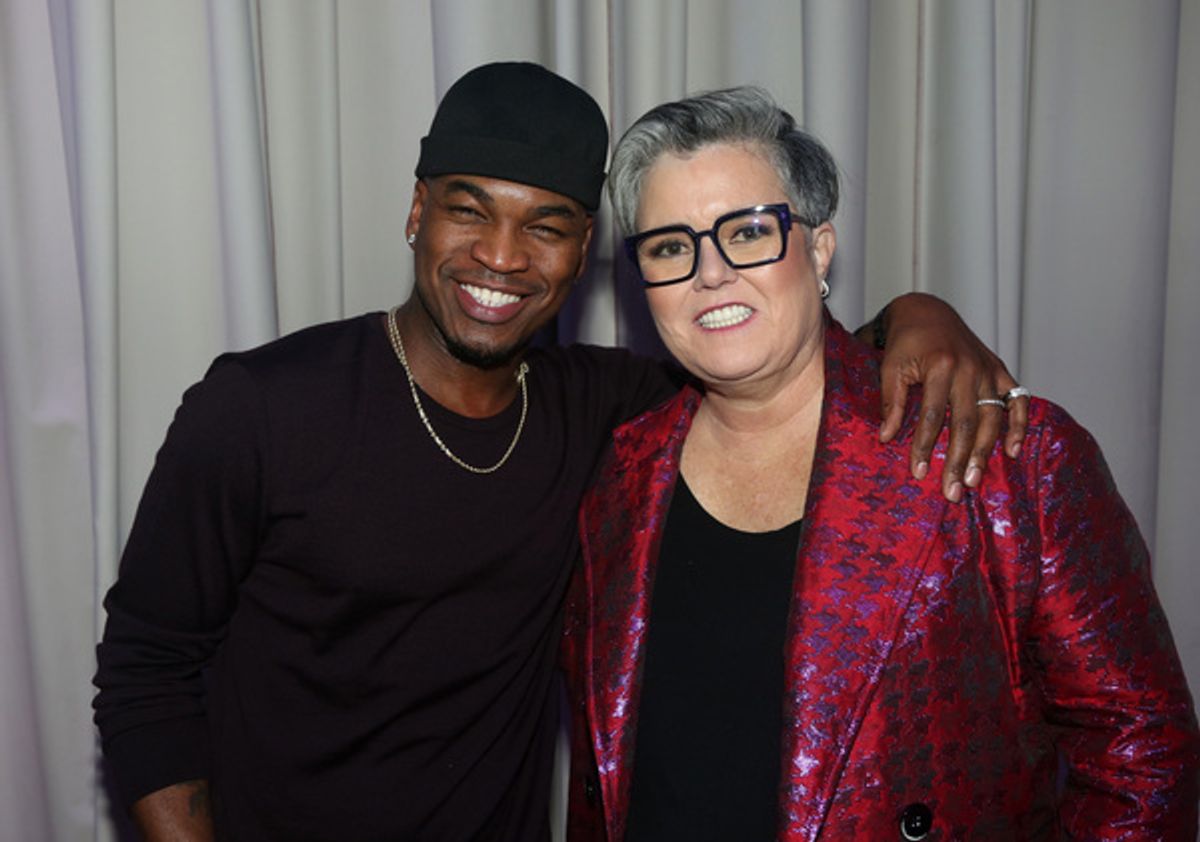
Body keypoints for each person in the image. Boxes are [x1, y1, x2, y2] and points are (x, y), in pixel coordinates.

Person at [94, 64, 1027, 841]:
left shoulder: (607, 410)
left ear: (584, 253)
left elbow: (776, 353)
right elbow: (145, 673)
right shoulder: (261, 407)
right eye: (469, 211)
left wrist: (921, 315)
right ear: (417, 211)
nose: (501, 257)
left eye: (545, 226)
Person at [563, 87, 1200, 841]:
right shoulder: (620, 475)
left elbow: (1141, 753)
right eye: (670, 246)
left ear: (819, 249)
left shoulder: (1007, 456)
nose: (711, 272)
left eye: (749, 231)